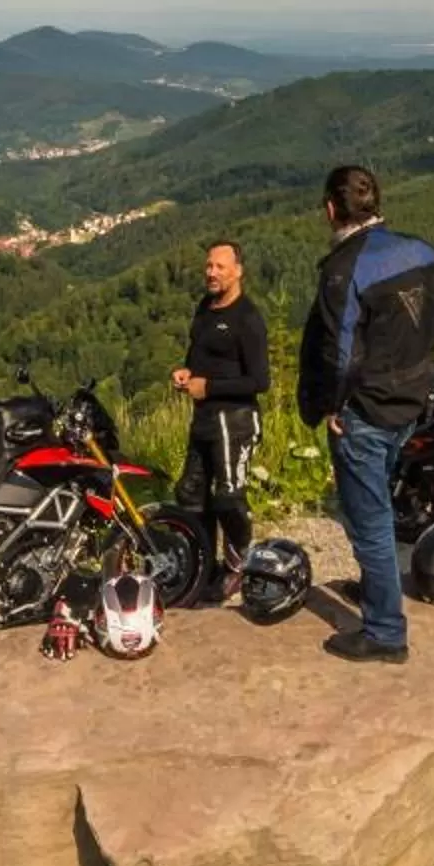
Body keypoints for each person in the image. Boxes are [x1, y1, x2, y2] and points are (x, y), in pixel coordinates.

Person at [296, 164, 434, 664]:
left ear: (330, 209)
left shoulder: (344, 270)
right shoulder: (421, 250)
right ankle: (376, 587)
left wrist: (331, 406)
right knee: (378, 501)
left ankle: (386, 631)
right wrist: (411, 355)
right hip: (410, 400)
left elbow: (340, 355)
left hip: (364, 411)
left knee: (368, 518)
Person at [171, 239, 269, 605]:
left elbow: (260, 381)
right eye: (209, 266)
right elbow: (197, 356)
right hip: (204, 419)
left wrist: (208, 386)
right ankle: (201, 566)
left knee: (228, 498)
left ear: (238, 271)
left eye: (220, 267)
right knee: (191, 496)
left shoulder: (248, 319)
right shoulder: (205, 308)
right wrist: (186, 373)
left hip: (235, 420)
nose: (211, 272)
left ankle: (239, 565)